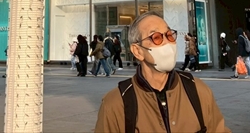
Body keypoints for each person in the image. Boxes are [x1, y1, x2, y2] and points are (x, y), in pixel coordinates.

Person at [94, 12, 230, 133]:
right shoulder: (115, 104)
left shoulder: (198, 91)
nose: (167, 43)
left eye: (169, 35)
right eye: (156, 37)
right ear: (137, 51)